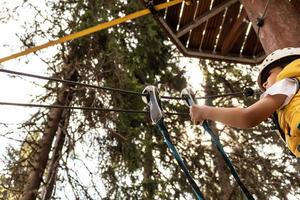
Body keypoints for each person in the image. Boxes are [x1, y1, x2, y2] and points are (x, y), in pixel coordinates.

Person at [189, 47, 300, 158]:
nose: (265, 85)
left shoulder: (287, 82)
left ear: (286, 66)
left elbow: (247, 117)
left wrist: (203, 111)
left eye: (268, 75)